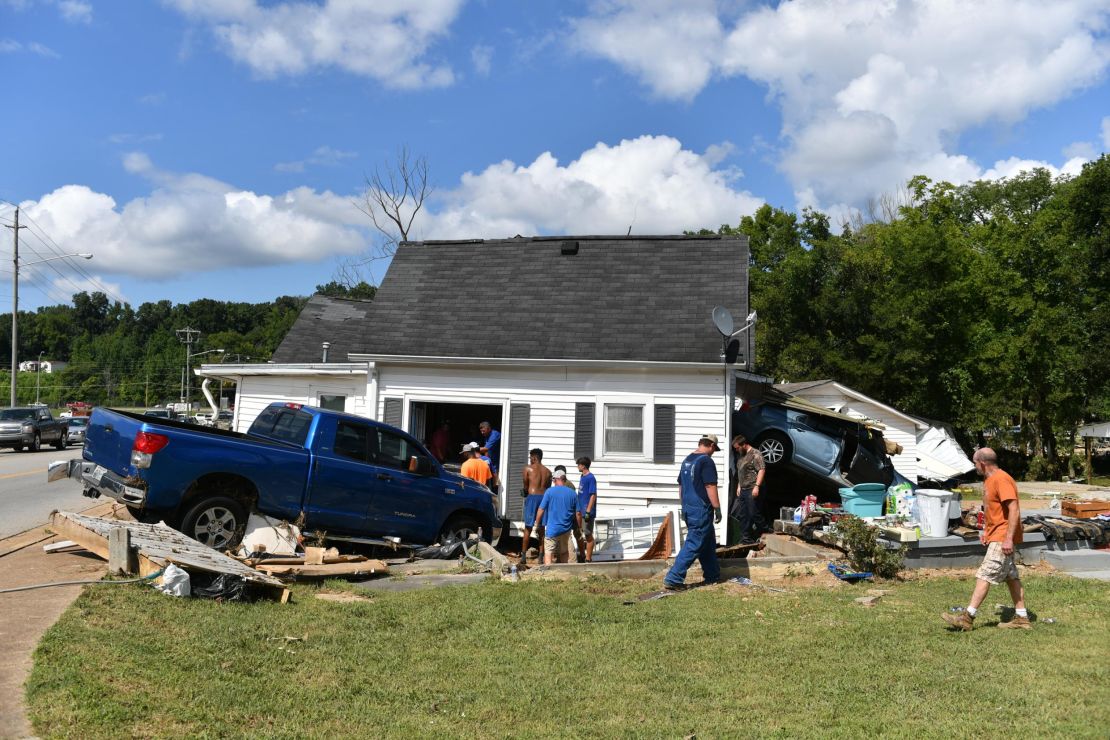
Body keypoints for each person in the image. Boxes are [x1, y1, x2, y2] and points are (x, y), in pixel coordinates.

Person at [942, 447, 1031, 631]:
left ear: (982, 463)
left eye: (975, 463)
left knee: (984, 575)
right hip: (996, 535)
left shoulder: (1001, 479)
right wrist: (987, 533)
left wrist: (1007, 539)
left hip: (1003, 537)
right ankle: (1022, 618)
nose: (975, 467)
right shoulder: (989, 479)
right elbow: (995, 512)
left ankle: (967, 618)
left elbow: (1013, 509)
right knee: (1011, 577)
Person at [663, 435, 722, 590]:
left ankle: (712, 575)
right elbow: (710, 486)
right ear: (710, 445)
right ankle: (673, 578)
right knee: (695, 542)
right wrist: (717, 508)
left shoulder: (687, 460)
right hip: (701, 508)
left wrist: (684, 506)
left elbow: (681, 487)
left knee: (707, 542)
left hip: (689, 506)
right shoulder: (706, 461)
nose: (713, 452)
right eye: (714, 449)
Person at [535, 469, 579, 564]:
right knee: (564, 553)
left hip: (552, 530)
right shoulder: (572, 493)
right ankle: (565, 574)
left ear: (556, 479)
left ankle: (549, 576)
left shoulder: (549, 492)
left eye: (553, 480)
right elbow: (578, 513)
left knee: (549, 553)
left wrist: (537, 524)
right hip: (566, 530)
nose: (553, 482)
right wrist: (578, 527)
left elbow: (541, 509)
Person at [729, 435, 766, 545]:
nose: (736, 450)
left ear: (744, 444)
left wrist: (757, 486)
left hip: (752, 488)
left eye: (737, 447)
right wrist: (739, 486)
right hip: (743, 489)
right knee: (743, 514)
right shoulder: (741, 456)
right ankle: (745, 538)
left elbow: (761, 470)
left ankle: (765, 529)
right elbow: (741, 473)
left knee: (753, 512)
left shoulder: (755, 454)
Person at [521, 448, 552, 563]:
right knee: (542, 529)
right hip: (543, 498)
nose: (530, 460)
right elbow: (548, 488)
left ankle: (523, 556)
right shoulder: (548, 472)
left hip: (532, 497)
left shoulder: (527, 469)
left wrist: (525, 492)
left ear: (534, 457)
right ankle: (541, 557)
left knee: (528, 528)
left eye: (530, 458)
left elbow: (525, 486)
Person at [576, 456, 598, 562]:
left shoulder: (591, 478)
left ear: (583, 466)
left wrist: (588, 511)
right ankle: (583, 556)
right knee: (581, 533)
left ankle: (588, 559)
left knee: (588, 534)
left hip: (587, 511)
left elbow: (592, 495)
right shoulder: (582, 476)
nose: (577, 466)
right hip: (580, 510)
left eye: (579, 465)